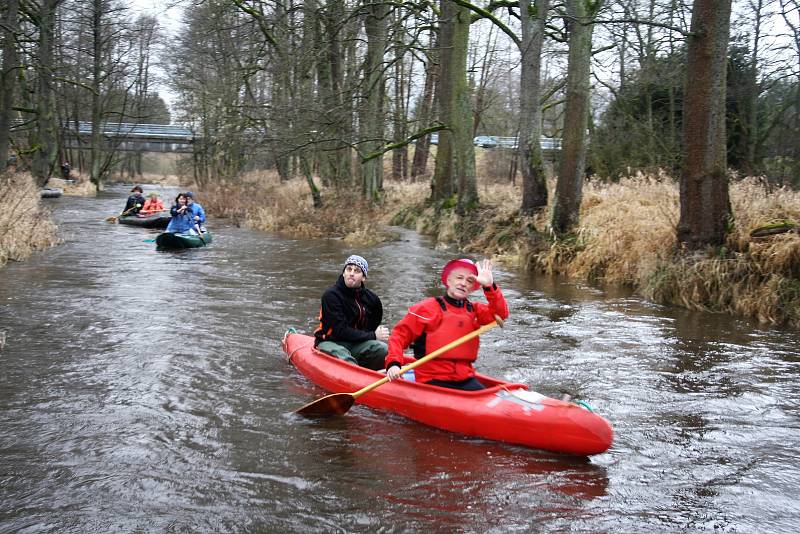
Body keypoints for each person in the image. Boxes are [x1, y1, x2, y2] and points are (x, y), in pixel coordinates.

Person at [384, 258, 509, 391]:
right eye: (459, 278)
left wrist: (489, 286)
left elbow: (501, 314)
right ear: (448, 280)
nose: (463, 283)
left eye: (469, 281)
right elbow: (399, 336)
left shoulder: (474, 311)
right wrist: (393, 363)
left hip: (464, 377)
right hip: (431, 378)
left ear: (472, 288)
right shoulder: (426, 308)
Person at [313, 255, 389, 370]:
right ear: (343, 273)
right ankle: (356, 375)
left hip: (356, 343)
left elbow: (373, 324)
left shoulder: (373, 300)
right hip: (330, 341)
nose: (351, 273)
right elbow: (340, 330)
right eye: (349, 269)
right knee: (344, 356)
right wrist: (373, 335)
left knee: (383, 349)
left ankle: (375, 375)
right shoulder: (331, 296)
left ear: (363, 278)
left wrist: (374, 335)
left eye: (357, 271)